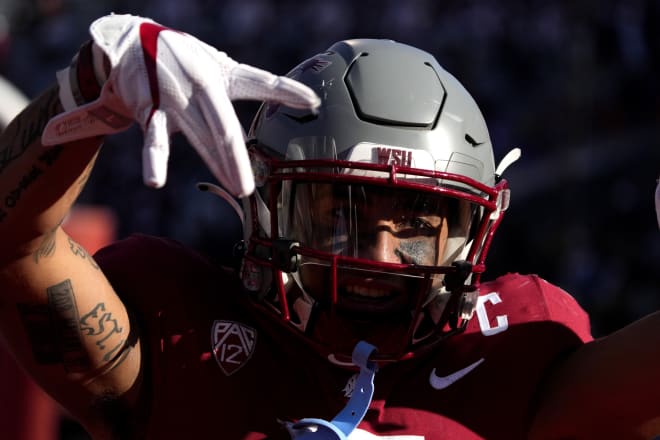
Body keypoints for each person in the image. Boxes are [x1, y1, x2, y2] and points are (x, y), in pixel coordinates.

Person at [0, 13, 658, 440]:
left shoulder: (518, 349)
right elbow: (13, 244)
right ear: (265, 203)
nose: (377, 253)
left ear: (472, 227)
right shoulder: (181, 335)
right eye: (338, 216)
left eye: (417, 221)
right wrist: (89, 88)